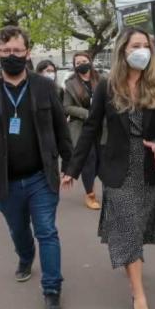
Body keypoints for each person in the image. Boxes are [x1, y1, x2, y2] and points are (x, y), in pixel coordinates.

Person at [62, 28, 155, 309]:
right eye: (135, 45)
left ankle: (133, 263)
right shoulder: (107, 86)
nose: (142, 50)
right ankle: (138, 293)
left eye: (146, 45)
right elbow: (91, 127)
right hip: (118, 168)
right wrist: (72, 168)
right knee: (126, 227)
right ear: (123, 50)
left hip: (149, 166)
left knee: (137, 228)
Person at [0, 26, 73, 309]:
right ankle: (25, 257)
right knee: (18, 230)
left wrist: (70, 165)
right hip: (6, 181)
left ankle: (52, 289)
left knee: (47, 232)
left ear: (27, 52)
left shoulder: (44, 87)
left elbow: (60, 129)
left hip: (42, 176)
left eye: (17, 51)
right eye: (5, 51)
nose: (11, 56)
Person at [62, 52, 103, 210]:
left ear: (90, 61)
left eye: (84, 61)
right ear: (74, 65)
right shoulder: (70, 83)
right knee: (89, 160)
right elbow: (66, 107)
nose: (82, 64)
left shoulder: (101, 79)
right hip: (82, 127)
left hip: (102, 126)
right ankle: (90, 194)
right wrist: (87, 113)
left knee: (102, 159)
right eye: (78, 62)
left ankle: (107, 189)